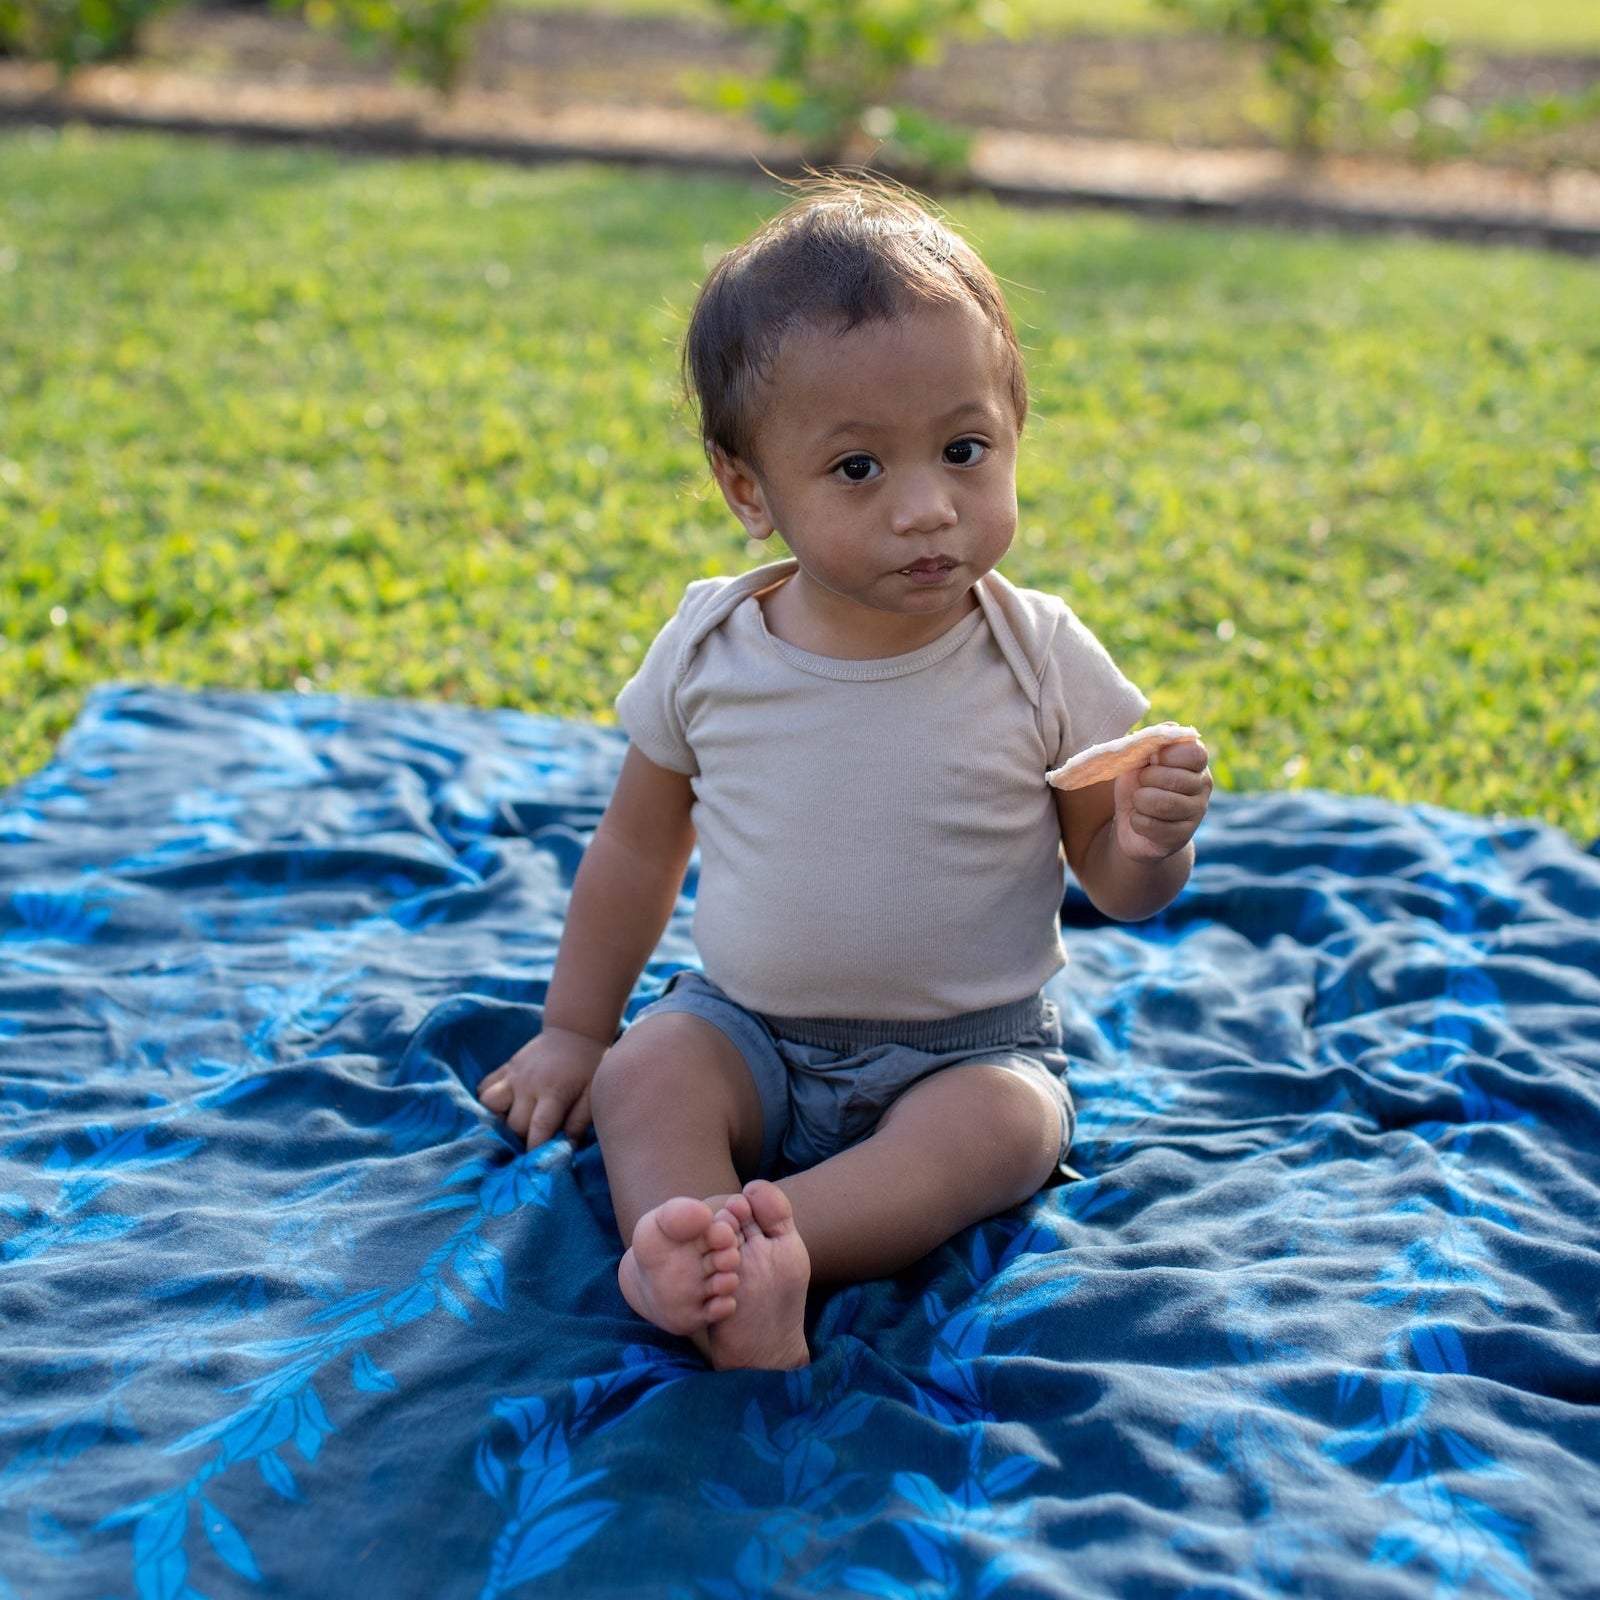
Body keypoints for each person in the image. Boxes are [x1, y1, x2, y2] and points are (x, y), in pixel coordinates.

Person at [477, 177, 1212, 1371]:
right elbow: (636, 846)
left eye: (963, 451)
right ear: (748, 488)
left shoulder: (1039, 655)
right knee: (647, 1071)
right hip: (746, 1033)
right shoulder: (712, 649)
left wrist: (1148, 839)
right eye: (858, 468)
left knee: (1005, 1130)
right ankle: (688, 1240)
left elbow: (1118, 888)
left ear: (1014, 429)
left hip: (967, 1050)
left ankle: (761, 1250)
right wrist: (574, 1029)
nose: (926, 509)